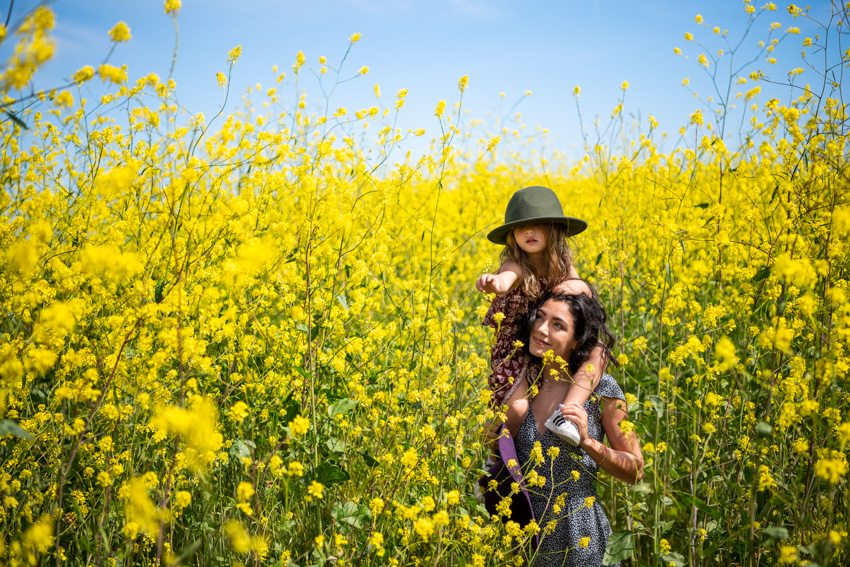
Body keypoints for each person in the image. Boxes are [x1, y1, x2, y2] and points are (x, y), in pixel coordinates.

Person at [504, 290, 644, 567]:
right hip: (520, 535)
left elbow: (636, 470)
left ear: (577, 339)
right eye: (540, 318)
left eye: (558, 325)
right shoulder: (519, 386)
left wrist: (587, 442)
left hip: (581, 540)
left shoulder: (602, 389)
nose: (541, 329)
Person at [477, 185, 605, 446]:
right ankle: (496, 464)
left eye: (537, 225)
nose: (529, 232)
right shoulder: (516, 264)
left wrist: (578, 287)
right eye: (521, 227)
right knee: (516, 411)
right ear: (512, 235)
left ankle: (567, 415)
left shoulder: (563, 265)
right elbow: (506, 279)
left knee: (600, 351)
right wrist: (495, 283)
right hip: (519, 347)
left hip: (554, 341)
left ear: (554, 229)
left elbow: (582, 289)